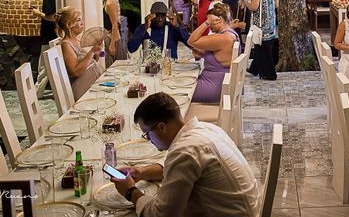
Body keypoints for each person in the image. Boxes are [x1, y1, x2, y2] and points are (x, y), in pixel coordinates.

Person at [111, 92, 260, 216]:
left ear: (162, 127)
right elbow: (182, 169)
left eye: (147, 134)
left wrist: (131, 192)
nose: (148, 140)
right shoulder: (205, 128)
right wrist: (142, 172)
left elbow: (160, 214)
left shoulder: (185, 152)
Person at [188, 4, 240, 102]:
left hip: (215, 86)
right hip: (218, 81)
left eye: (210, 21)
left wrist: (206, 23)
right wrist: (203, 54)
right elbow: (221, 56)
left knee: (177, 91)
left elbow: (191, 41)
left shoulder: (224, 37)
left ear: (219, 19)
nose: (210, 26)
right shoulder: (229, 34)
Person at [56, 6, 105, 101]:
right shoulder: (66, 44)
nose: (82, 23)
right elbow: (75, 71)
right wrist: (92, 51)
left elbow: (87, 64)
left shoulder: (77, 40)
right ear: (68, 25)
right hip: (83, 89)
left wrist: (96, 53)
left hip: (93, 83)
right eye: (78, 20)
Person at [244, 0, 279, 80]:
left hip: (261, 25)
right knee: (263, 48)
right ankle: (255, 68)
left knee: (262, 49)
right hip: (271, 23)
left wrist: (246, 3)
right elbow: (277, 4)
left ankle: (269, 74)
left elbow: (254, 6)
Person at [31, 0, 57, 98]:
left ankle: (36, 94)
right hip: (53, 36)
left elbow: (52, 17)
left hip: (49, 37)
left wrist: (37, 13)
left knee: (43, 66)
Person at [102, 0, 126, 64]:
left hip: (113, 38)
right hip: (109, 37)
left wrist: (112, 44)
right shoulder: (106, 1)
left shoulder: (110, 3)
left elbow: (115, 24)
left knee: (116, 66)